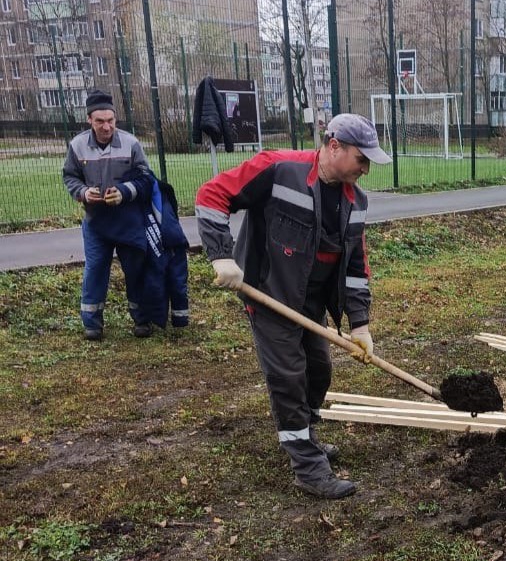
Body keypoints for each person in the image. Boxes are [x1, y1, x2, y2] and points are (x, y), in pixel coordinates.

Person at [195, 113, 392, 500]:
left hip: (310, 305)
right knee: (289, 377)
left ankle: (306, 434)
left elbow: (356, 266)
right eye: (361, 159)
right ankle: (308, 466)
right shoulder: (278, 169)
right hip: (270, 295)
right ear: (333, 146)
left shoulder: (357, 201)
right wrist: (221, 256)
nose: (366, 169)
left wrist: (361, 324)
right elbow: (212, 195)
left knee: (318, 373)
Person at [62, 90, 154, 341]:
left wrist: (124, 192)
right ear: (89, 120)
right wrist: (83, 192)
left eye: (111, 120)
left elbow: (146, 178)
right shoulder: (78, 145)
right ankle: (92, 324)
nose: (107, 126)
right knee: (95, 270)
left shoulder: (131, 143)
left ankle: (142, 320)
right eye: (100, 121)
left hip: (128, 221)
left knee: (135, 269)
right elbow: (69, 176)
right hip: (96, 223)